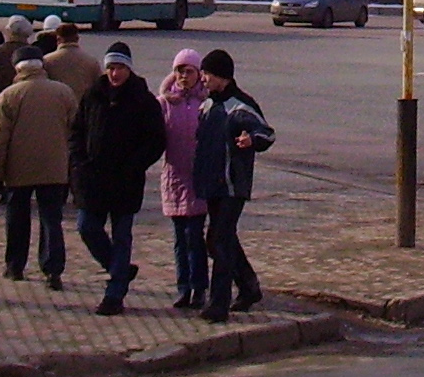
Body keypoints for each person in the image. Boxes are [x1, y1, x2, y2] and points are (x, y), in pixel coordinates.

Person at [72, 41, 167, 315]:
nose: (115, 73)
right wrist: (79, 161)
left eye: (120, 68)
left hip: (125, 180)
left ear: (129, 69)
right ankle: (120, 268)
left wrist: (134, 165)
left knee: (122, 235)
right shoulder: (93, 95)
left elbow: (155, 140)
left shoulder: (143, 99)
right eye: (111, 67)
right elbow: (77, 131)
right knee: (87, 227)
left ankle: (114, 294)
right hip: (93, 178)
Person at [193, 48, 274, 323]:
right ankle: (249, 286)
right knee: (221, 239)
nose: (203, 79)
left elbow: (266, 133)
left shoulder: (240, 106)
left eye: (207, 74)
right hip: (212, 183)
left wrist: (252, 141)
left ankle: (219, 304)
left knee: (218, 240)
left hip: (232, 185)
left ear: (223, 77)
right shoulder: (207, 104)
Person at [0, 56, 78, 288]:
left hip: (18, 166)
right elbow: (75, 130)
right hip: (54, 165)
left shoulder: (8, 96)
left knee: (17, 217)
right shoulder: (63, 92)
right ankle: (53, 269)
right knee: (51, 218)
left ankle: (15, 266)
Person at [157, 48, 210, 310]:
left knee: (195, 235)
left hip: (199, 178)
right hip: (175, 176)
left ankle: (200, 287)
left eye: (189, 71)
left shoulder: (207, 102)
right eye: (180, 70)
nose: (184, 76)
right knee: (180, 237)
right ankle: (183, 287)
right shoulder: (165, 103)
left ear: (199, 74)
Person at [44, 20, 102, 103]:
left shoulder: (47, 61)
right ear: (77, 38)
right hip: (83, 107)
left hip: (58, 106)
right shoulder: (91, 61)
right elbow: (99, 87)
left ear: (58, 39)